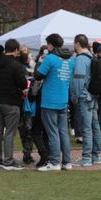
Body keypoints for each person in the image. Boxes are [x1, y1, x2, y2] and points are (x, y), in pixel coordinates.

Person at [32, 34, 72, 171]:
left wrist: (39, 62)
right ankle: (67, 161)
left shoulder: (50, 58)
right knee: (63, 132)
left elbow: (38, 75)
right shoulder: (69, 60)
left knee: (52, 132)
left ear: (50, 45)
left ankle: (54, 162)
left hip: (50, 100)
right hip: (63, 98)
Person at [0, 40, 28, 170]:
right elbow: (22, 84)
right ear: (16, 50)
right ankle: (8, 160)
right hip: (11, 101)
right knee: (10, 132)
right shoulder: (16, 66)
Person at [69, 35, 101, 166]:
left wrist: (74, 96)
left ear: (77, 44)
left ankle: (86, 157)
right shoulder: (91, 57)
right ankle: (96, 156)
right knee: (95, 126)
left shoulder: (81, 59)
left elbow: (78, 79)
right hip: (92, 96)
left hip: (84, 96)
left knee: (86, 128)